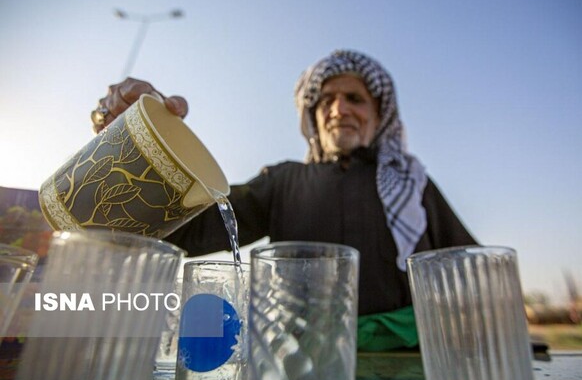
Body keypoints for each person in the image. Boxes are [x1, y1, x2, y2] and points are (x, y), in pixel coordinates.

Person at [92, 49, 477, 351]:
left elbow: (473, 274)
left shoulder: (414, 185)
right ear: (311, 116)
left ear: (378, 115)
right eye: (326, 101)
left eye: (354, 99)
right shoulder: (282, 181)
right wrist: (129, 141)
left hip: (409, 362)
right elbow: (189, 230)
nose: (339, 110)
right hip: (297, 360)